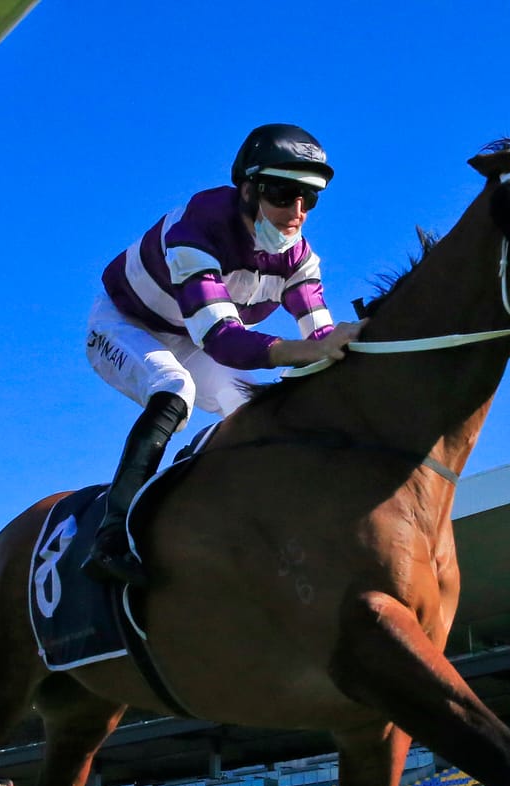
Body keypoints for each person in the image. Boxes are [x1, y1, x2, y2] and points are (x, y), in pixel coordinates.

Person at [80, 123, 364, 586]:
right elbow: (224, 340)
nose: (296, 213)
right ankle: (112, 536)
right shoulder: (197, 228)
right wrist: (313, 350)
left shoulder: (300, 259)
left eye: (309, 199)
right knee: (175, 390)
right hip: (124, 324)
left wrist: (356, 345)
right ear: (248, 189)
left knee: (253, 408)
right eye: (282, 194)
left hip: (189, 337)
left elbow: (320, 336)